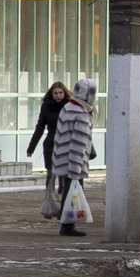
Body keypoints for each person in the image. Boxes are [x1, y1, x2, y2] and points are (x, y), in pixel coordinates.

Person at [52, 79, 97, 237]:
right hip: (73, 161)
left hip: (62, 157)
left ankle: (66, 224)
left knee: (68, 191)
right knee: (73, 193)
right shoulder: (81, 113)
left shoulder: (68, 107)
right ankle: (68, 225)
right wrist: (76, 169)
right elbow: (78, 143)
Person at [26, 81, 72, 193]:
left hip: (66, 143)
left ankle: (63, 199)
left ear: (64, 93)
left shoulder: (70, 106)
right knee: (51, 174)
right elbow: (40, 128)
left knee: (64, 175)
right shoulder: (46, 106)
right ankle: (49, 199)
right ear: (51, 94)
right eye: (55, 93)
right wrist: (31, 148)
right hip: (50, 144)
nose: (58, 95)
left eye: (61, 93)